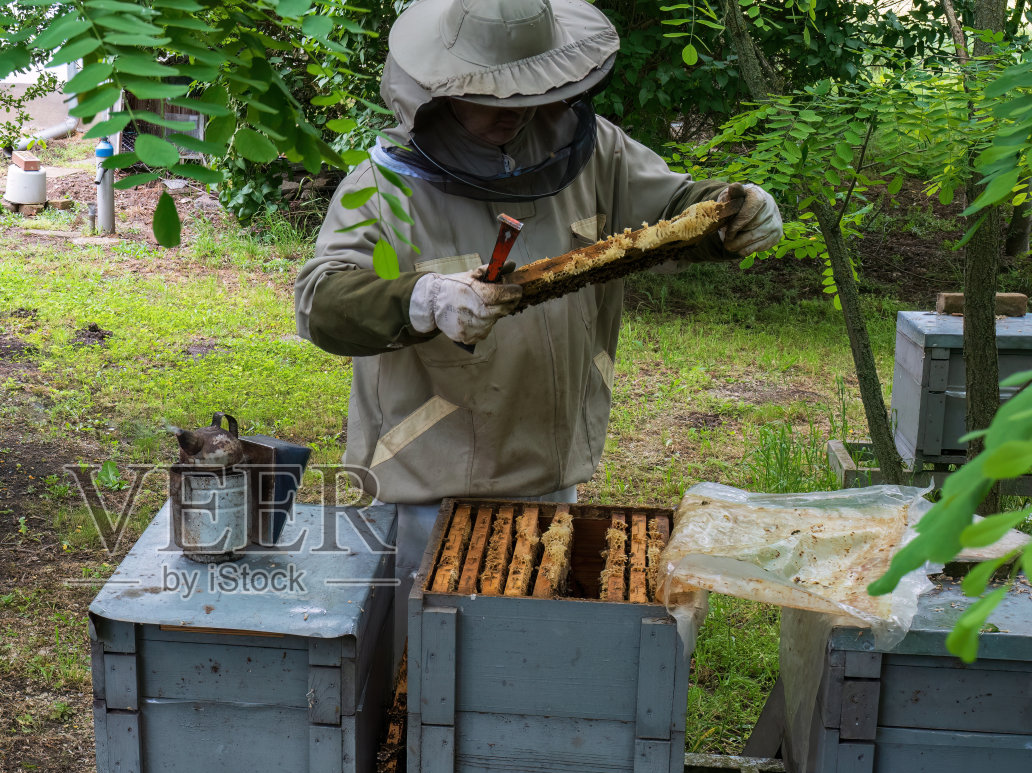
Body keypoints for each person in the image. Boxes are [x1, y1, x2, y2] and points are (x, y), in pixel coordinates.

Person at [294, 0, 782, 651]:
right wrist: (423, 299)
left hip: (548, 481)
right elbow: (321, 300)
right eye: (490, 94)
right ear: (441, 87)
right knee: (415, 697)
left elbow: (675, 207)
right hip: (420, 500)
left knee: (522, 679)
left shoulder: (593, 151)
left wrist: (734, 212)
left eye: (528, 90)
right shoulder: (382, 190)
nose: (516, 109)